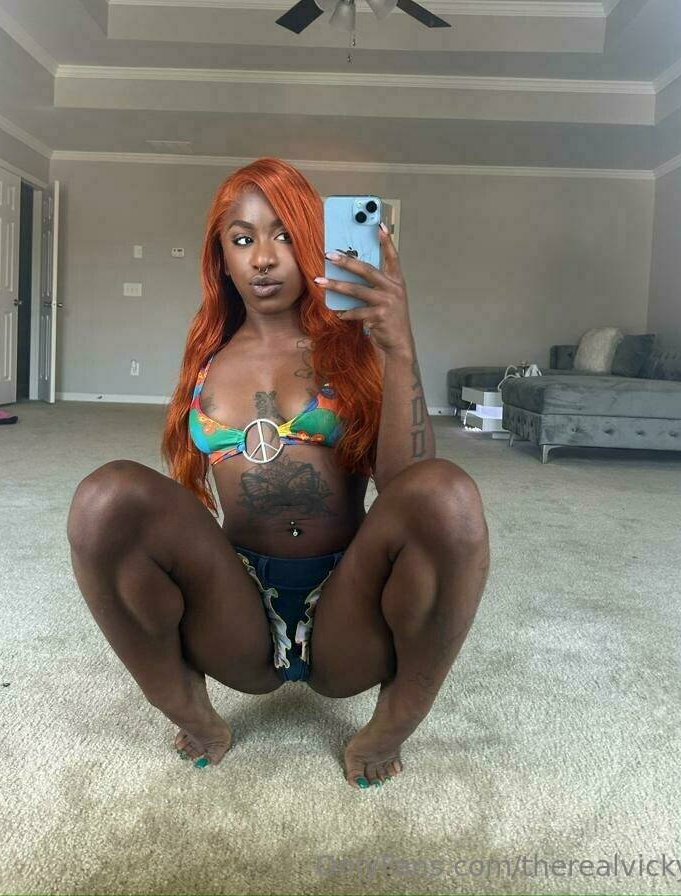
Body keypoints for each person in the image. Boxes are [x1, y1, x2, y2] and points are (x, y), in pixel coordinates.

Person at [67, 157, 490, 790]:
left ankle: (391, 726)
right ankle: (190, 711)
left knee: (448, 497)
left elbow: (410, 493)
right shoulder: (207, 358)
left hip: (350, 609)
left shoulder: (354, 348)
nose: (263, 258)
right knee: (104, 499)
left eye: (284, 235)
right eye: (242, 239)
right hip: (235, 609)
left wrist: (398, 346)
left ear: (313, 242)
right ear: (221, 257)